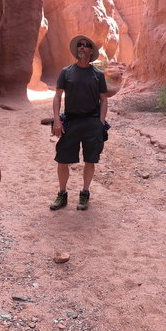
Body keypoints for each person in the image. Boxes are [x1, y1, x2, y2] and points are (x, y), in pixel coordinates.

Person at [50, 34, 108, 211]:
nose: (81, 47)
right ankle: (62, 194)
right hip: (71, 122)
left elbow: (104, 100)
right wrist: (57, 120)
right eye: (79, 45)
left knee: (90, 160)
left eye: (85, 45)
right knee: (62, 160)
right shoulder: (66, 72)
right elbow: (58, 96)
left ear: (91, 51)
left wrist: (101, 122)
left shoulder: (98, 75)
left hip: (91, 122)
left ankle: (84, 193)